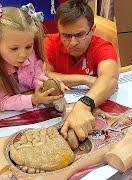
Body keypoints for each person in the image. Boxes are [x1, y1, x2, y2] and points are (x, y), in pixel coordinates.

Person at [0, 1, 63, 118]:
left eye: (28, 46)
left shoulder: (31, 54)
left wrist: (49, 85)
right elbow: (1, 102)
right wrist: (33, 99)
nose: (24, 55)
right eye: (14, 48)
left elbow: (36, 75)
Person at [44, 0, 119, 141]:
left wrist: (84, 104)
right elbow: (45, 74)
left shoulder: (102, 46)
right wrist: (85, 79)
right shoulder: (49, 42)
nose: (73, 42)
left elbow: (110, 78)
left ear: (93, 30)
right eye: (66, 35)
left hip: (89, 109)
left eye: (80, 35)